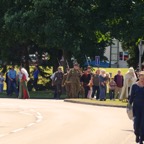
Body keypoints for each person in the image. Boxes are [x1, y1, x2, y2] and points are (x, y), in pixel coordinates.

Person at [129, 71, 144, 144]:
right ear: (139, 77)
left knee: (143, 124)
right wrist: (129, 105)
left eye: (143, 78)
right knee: (136, 123)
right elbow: (131, 97)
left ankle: (141, 139)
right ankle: (137, 134)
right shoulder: (134, 86)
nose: (142, 79)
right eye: (141, 77)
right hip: (136, 107)